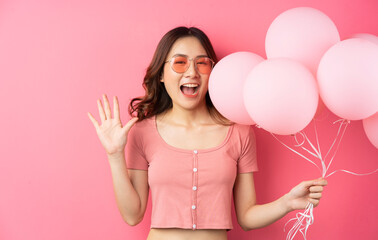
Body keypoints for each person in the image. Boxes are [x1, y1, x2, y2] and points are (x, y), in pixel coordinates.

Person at [87, 26, 328, 240]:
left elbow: (246, 216)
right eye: (180, 63)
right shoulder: (142, 132)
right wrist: (115, 155)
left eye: (202, 63)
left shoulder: (239, 132)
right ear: (161, 74)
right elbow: (132, 215)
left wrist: (287, 202)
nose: (192, 72)